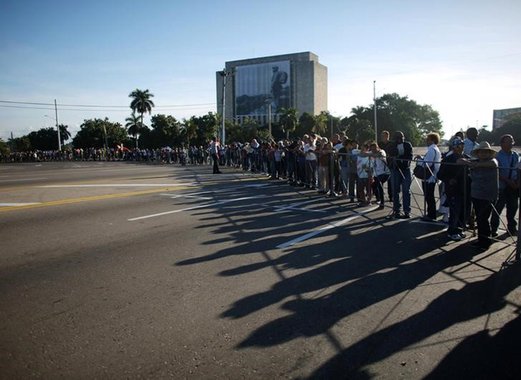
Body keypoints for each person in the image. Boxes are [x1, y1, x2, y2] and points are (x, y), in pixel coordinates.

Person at [459, 141, 499, 250]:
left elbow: (493, 164)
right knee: (480, 219)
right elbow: (459, 161)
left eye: (486, 152)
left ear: (489, 153)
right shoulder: (474, 161)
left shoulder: (492, 161)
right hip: (476, 194)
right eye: (481, 152)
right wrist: (467, 161)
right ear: (478, 153)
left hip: (488, 195)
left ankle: (485, 241)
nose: (483, 154)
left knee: (483, 218)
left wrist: (475, 164)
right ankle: (482, 240)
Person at [437, 137, 471, 240]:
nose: (461, 147)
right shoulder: (448, 159)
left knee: (464, 211)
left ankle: (459, 230)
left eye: (462, 145)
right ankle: (452, 231)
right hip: (453, 190)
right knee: (455, 211)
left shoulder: (466, 157)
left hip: (465, 189)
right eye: (458, 145)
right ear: (454, 147)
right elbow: (440, 174)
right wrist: (449, 180)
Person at [490, 134, 519, 236]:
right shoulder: (497, 156)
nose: (511, 143)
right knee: (497, 209)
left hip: (513, 187)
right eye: (508, 141)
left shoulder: (515, 155)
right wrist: (507, 181)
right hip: (501, 186)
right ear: (502, 143)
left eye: (512, 141)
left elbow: (518, 170)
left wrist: (516, 183)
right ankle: (494, 229)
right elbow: (496, 173)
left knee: (513, 208)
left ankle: (511, 228)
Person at [388, 131, 413, 218]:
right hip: (395, 169)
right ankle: (396, 209)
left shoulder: (407, 144)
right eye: (398, 138)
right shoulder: (392, 145)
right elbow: (392, 154)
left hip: (405, 169)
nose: (400, 139)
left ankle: (407, 211)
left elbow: (409, 156)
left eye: (401, 137)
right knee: (395, 190)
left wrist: (399, 157)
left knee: (406, 190)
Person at [418, 133, 442, 221]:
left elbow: (428, 163)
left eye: (427, 139)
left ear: (432, 140)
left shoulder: (432, 149)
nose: (426, 141)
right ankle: (431, 214)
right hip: (432, 175)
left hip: (429, 176)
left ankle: (431, 215)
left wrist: (419, 160)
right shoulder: (435, 149)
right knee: (429, 196)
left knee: (429, 196)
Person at [369, 142, 390, 209]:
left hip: (384, 173)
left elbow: (381, 155)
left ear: (377, 147)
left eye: (374, 149)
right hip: (376, 173)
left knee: (379, 185)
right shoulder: (372, 154)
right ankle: (378, 199)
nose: (373, 150)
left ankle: (382, 204)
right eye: (372, 149)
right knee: (373, 185)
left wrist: (374, 154)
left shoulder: (381, 152)